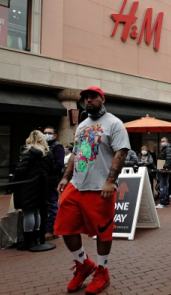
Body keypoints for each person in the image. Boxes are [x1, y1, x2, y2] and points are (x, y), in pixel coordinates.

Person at [54, 86, 130, 294]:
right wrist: (66, 177)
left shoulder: (114, 124)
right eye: (85, 98)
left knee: (103, 231)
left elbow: (121, 154)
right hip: (77, 185)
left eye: (93, 97)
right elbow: (77, 153)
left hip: (100, 187)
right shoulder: (82, 125)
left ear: (102, 99)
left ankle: (102, 271)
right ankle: (84, 264)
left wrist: (110, 181)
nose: (88, 101)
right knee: (65, 226)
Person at [13, 130, 55, 250]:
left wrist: (14, 183)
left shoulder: (28, 152)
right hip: (42, 185)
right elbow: (52, 170)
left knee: (28, 211)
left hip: (29, 185)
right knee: (37, 211)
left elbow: (20, 170)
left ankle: (28, 240)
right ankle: (36, 237)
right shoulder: (48, 153)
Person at [42, 126, 65, 241]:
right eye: (45, 133)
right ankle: (47, 229)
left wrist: (47, 170)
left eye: (49, 133)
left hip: (52, 180)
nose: (46, 135)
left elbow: (59, 164)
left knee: (52, 205)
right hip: (44, 180)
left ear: (54, 135)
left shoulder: (57, 147)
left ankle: (52, 230)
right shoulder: (44, 146)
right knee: (45, 205)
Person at [156, 137, 171, 208]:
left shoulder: (168, 149)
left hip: (164, 170)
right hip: (163, 169)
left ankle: (163, 202)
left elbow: (170, 159)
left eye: (163, 141)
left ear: (167, 142)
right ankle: (165, 201)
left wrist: (164, 167)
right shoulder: (165, 149)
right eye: (161, 141)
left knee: (163, 186)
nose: (162, 142)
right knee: (163, 185)